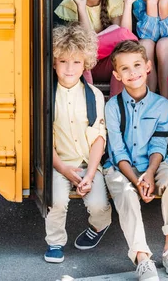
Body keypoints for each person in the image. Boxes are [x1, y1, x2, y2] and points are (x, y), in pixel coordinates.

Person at [103, 40, 168, 280]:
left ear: (148, 67)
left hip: (151, 164)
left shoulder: (161, 105)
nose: (133, 73)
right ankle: (142, 257)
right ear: (117, 75)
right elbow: (117, 151)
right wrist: (136, 181)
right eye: (125, 69)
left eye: (137, 65)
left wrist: (150, 173)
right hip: (122, 168)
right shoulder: (113, 107)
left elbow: (159, 145)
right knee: (126, 192)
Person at [44, 24, 113, 264]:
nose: (69, 68)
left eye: (76, 62)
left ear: (85, 63)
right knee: (57, 200)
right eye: (63, 61)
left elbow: (98, 138)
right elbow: (45, 140)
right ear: (54, 63)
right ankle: (55, 242)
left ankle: (99, 226)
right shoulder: (47, 95)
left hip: (87, 164)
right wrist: (63, 170)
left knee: (99, 207)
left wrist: (90, 175)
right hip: (58, 164)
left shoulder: (93, 95)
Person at [55, 0, 143, 97]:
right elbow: (83, 41)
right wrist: (81, 7)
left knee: (124, 52)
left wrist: (127, 3)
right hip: (83, 64)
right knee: (80, 52)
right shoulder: (71, 2)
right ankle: (89, 103)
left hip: (107, 65)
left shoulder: (113, 0)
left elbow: (126, 41)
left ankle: (118, 106)